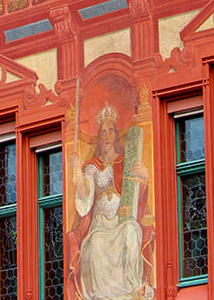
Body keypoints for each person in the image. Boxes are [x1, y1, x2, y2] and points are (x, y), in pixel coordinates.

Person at [71, 104, 148, 300]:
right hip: (100, 224)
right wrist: (77, 170)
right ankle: (101, 295)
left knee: (132, 232)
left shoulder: (125, 160)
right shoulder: (91, 166)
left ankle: (131, 289)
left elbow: (137, 192)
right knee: (94, 244)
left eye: (110, 131)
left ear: (115, 134)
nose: (106, 136)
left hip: (121, 221)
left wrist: (144, 178)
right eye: (103, 132)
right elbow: (83, 195)